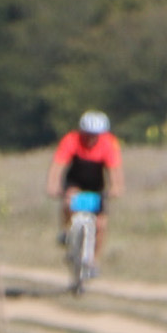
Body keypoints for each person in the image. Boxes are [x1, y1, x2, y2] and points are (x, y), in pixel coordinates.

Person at [47, 111, 124, 263]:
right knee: (69, 201)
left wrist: (116, 188)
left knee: (101, 225)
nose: (91, 138)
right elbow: (58, 165)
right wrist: (52, 185)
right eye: (88, 134)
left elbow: (115, 170)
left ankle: (93, 261)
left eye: (95, 135)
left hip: (96, 184)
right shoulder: (71, 140)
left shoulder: (108, 143)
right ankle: (66, 231)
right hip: (75, 180)